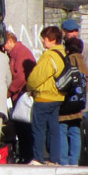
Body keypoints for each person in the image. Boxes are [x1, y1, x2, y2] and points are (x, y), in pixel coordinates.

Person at [27, 25, 67, 165]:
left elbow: (36, 77)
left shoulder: (49, 56)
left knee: (38, 129)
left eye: (45, 38)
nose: (43, 41)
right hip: (58, 96)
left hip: (44, 96)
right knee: (54, 130)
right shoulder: (62, 54)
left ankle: (38, 158)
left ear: (52, 40)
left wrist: (29, 87)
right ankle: (54, 159)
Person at [3, 31, 36, 163]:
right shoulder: (15, 53)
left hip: (22, 95)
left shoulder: (21, 52)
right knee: (21, 128)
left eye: (4, 44)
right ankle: (24, 155)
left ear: (10, 41)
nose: (4, 48)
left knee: (24, 127)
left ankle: (27, 156)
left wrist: (10, 91)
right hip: (19, 95)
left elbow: (21, 76)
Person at [57, 36, 88, 166]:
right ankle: (74, 160)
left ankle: (64, 161)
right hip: (79, 103)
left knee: (62, 130)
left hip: (66, 102)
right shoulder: (83, 61)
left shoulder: (68, 60)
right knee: (75, 131)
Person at [61, 18, 88, 90]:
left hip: (81, 91)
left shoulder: (85, 48)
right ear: (64, 32)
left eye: (76, 31)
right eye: (71, 31)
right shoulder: (60, 47)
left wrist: (84, 89)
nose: (74, 34)